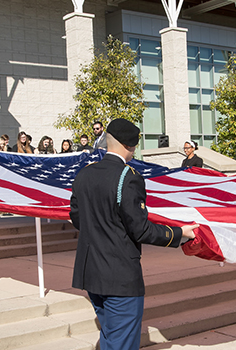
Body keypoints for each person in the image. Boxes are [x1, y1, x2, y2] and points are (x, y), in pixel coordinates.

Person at [70, 118, 198, 350]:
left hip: (91, 272)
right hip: (119, 277)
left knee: (111, 337)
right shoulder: (127, 177)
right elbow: (140, 229)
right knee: (122, 344)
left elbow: (78, 219)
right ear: (130, 145)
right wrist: (179, 233)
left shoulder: (84, 174)